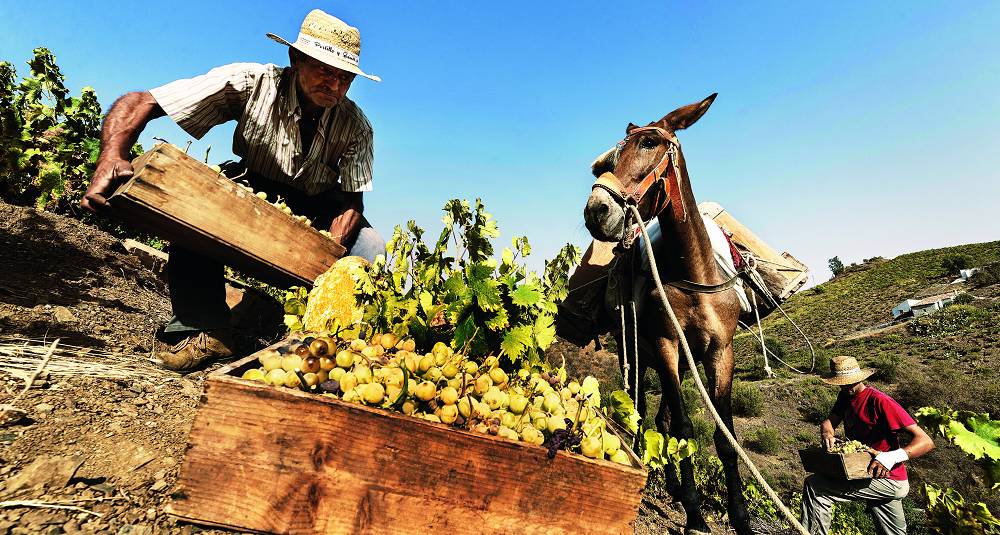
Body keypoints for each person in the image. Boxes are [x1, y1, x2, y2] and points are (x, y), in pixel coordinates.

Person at [80, 9, 386, 370]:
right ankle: (206, 328)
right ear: (295, 58)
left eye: (345, 77)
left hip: (318, 204)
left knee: (370, 248)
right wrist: (111, 155)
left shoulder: (356, 126)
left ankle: (332, 343)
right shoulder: (251, 83)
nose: (334, 86)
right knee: (198, 202)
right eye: (324, 70)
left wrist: (329, 251)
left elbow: (351, 199)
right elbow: (144, 101)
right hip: (253, 185)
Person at [801, 355, 935, 535]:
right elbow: (828, 422)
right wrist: (827, 434)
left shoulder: (879, 401)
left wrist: (890, 457)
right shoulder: (845, 397)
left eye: (848, 383)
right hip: (869, 474)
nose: (844, 386)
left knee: (816, 486)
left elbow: (926, 441)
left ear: (859, 379)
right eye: (840, 383)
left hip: (889, 478)